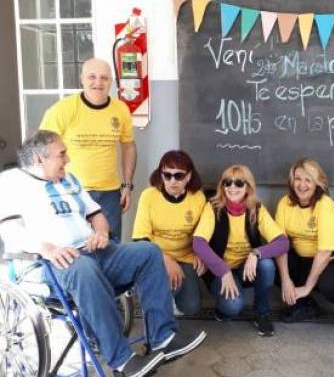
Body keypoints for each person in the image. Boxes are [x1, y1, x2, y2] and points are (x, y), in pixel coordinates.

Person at [0, 130, 206, 377]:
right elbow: (8, 230)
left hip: (93, 253)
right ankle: (122, 361)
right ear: (38, 159)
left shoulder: (69, 179)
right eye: (61, 155)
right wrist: (48, 248)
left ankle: (163, 337)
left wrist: (101, 232)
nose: (68, 160)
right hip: (51, 264)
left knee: (149, 252)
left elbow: (96, 214)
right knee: (84, 269)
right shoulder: (11, 182)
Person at [40, 58, 136, 241]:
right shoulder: (63, 109)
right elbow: (42, 149)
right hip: (71, 192)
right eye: (92, 77)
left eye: (104, 78)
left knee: (110, 248)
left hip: (110, 194)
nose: (98, 83)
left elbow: (129, 146)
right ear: (82, 79)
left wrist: (127, 185)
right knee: (76, 248)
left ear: (111, 82)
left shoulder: (120, 109)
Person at [275, 158, 334, 341]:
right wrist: (285, 279)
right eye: (298, 178)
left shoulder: (325, 205)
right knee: (271, 264)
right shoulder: (285, 203)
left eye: (308, 180)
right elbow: (280, 244)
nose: (301, 185)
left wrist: (307, 287)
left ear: (318, 183)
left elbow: (324, 252)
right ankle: (306, 306)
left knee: (331, 283)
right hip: (306, 259)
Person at [192, 164, 288, 337]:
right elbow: (198, 243)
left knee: (266, 265)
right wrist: (223, 270)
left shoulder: (256, 209)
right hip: (220, 272)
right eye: (227, 182)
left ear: (248, 187)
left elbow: (282, 242)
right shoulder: (212, 208)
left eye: (239, 183)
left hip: (246, 269)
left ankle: (262, 313)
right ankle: (224, 309)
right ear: (222, 186)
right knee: (233, 306)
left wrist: (256, 253)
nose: (232, 187)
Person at [133, 150, 206, 315]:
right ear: (161, 175)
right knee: (166, 289)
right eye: (167, 175)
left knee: (191, 307)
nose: (173, 181)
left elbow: (203, 233)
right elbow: (140, 238)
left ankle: (170, 301)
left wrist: (201, 254)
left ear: (188, 176)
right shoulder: (148, 196)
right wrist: (165, 259)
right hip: (156, 257)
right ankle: (160, 323)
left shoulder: (198, 198)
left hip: (186, 258)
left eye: (179, 176)